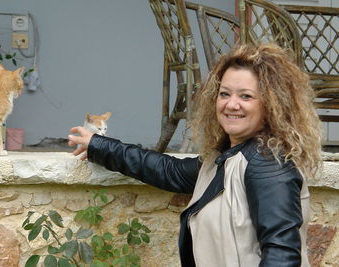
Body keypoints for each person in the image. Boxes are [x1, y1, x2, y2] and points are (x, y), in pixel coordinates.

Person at [68, 43, 322, 267]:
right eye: (224, 94)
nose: (231, 104)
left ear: (271, 104)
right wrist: (98, 145)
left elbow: (282, 257)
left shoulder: (267, 164)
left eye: (246, 96)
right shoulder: (225, 158)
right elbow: (170, 171)